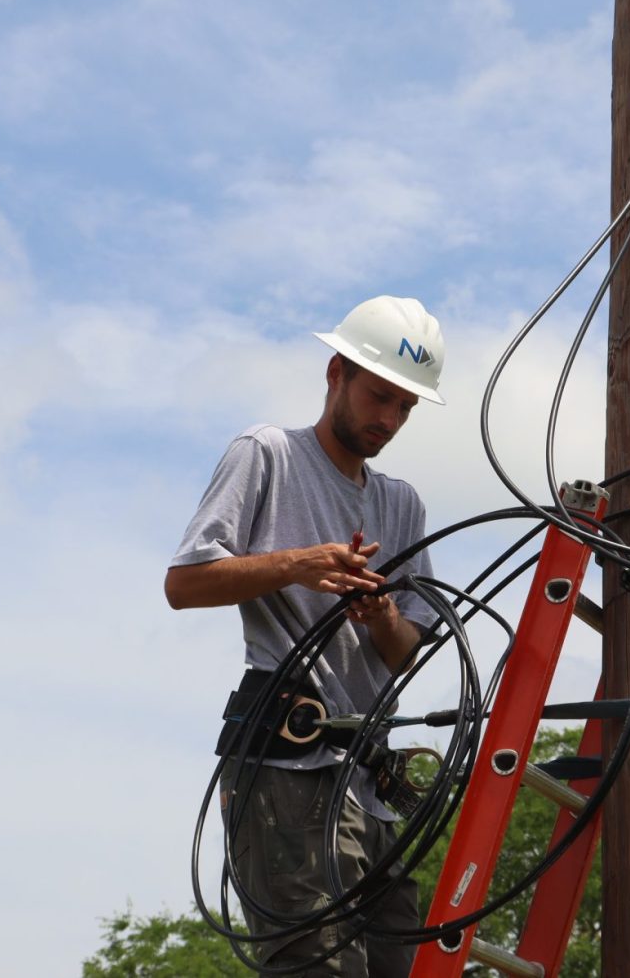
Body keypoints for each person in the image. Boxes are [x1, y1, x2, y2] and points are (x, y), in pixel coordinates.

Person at [166, 295, 445, 977]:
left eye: (405, 407)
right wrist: (301, 562)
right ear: (337, 373)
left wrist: (381, 613)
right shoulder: (267, 454)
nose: (389, 420)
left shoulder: (400, 503)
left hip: (368, 781)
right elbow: (185, 583)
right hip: (288, 770)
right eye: (380, 396)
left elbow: (409, 652)